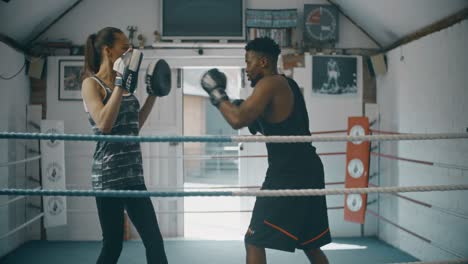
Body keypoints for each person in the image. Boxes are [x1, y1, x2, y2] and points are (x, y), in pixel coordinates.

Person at [200, 37, 331, 264]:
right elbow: (261, 119)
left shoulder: (270, 84)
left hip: (289, 175)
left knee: (254, 240)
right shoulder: (285, 84)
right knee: (310, 244)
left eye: (248, 62)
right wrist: (239, 105)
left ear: (263, 62)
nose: (246, 69)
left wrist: (216, 92)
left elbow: (238, 119)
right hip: (307, 170)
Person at [81, 27, 169, 264]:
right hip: (107, 178)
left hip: (133, 176)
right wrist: (120, 84)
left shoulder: (125, 86)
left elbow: (133, 125)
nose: (130, 51)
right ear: (108, 51)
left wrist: (152, 95)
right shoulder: (92, 84)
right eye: (124, 47)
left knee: (154, 240)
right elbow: (104, 124)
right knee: (113, 246)